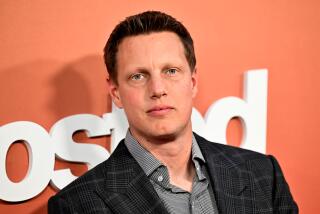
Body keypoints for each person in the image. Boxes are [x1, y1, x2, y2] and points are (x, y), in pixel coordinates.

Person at [48, 11, 298, 213]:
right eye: (138, 76)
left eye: (171, 71)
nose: (157, 89)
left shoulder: (263, 174)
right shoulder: (76, 205)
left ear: (193, 82)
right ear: (115, 93)